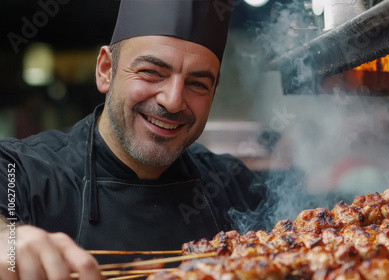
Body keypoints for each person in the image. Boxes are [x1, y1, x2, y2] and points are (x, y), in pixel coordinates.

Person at [0, 0, 265, 279]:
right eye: (151, 72)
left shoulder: (233, 184)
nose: (173, 101)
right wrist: (7, 240)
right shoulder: (21, 169)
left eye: (197, 84)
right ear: (105, 70)